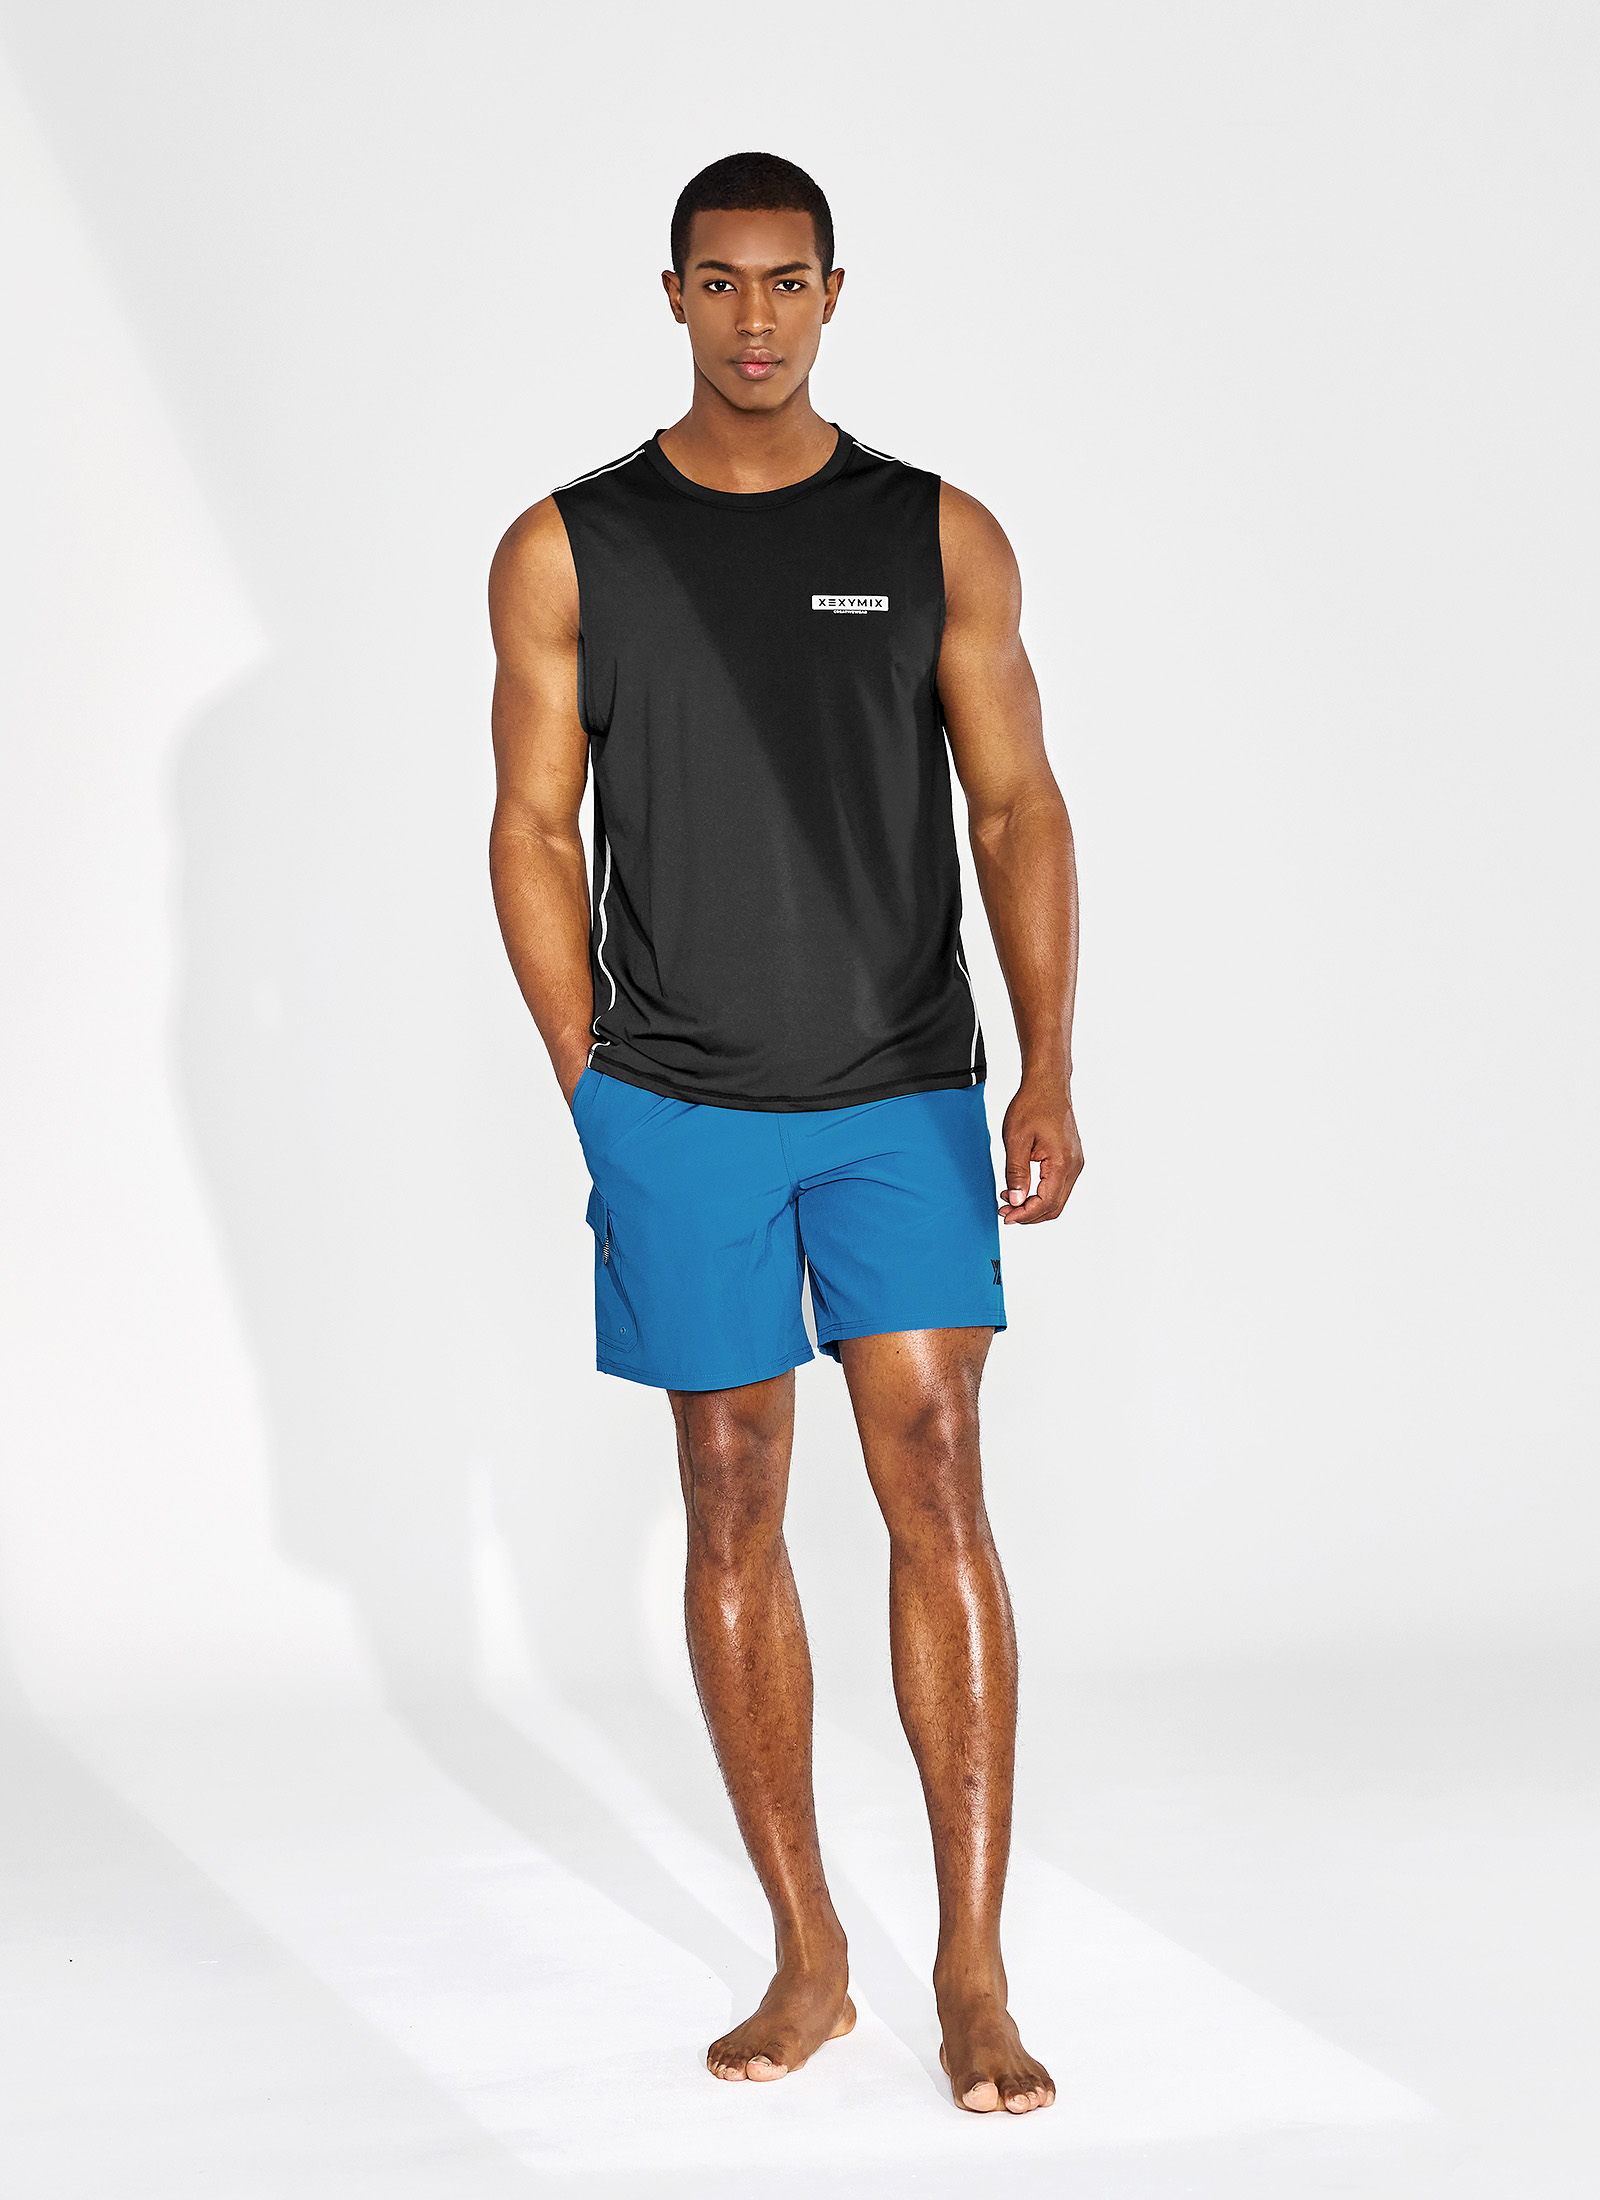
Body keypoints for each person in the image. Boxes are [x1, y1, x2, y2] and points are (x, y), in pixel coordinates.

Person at [488, 150, 1082, 2117]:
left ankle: (972, 1970)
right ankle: (809, 1953)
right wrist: (590, 1076)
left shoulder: (934, 531)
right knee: (732, 1486)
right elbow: (529, 823)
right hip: (678, 1098)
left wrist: (1047, 1064)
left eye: (787, 281)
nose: (755, 316)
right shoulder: (570, 546)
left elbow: (1015, 805)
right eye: (721, 281)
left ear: (835, 292)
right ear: (672, 294)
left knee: (937, 1468)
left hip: (900, 1083)